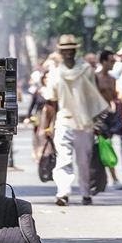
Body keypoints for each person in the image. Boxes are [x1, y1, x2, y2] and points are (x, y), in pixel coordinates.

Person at [43, 34, 108, 206]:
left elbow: (94, 97)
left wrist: (97, 122)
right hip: (64, 120)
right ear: (61, 52)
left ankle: (86, 193)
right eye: (65, 50)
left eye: (71, 50)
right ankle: (62, 193)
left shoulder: (86, 70)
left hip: (84, 122)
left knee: (83, 161)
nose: (68, 53)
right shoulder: (56, 73)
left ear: (75, 50)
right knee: (63, 159)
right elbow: (51, 102)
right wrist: (47, 126)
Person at [94, 50, 122, 190]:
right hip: (97, 117)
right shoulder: (96, 77)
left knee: (106, 146)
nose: (113, 64)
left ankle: (109, 179)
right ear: (104, 61)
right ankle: (109, 179)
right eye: (111, 61)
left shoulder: (112, 79)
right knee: (101, 147)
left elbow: (113, 97)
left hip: (109, 117)